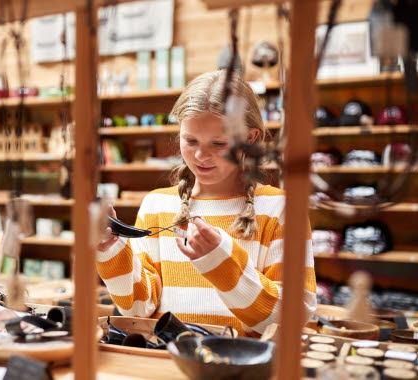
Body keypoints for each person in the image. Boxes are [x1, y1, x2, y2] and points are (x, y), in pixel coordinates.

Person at [96, 70, 316, 336]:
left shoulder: (281, 210)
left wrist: (221, 262)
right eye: (190, 141)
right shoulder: (157, 205)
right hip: (167, 364)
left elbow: (294, 317)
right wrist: (110, 251)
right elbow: (138, 310)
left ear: (250, 139)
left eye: (219, 143)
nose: (201, 155)